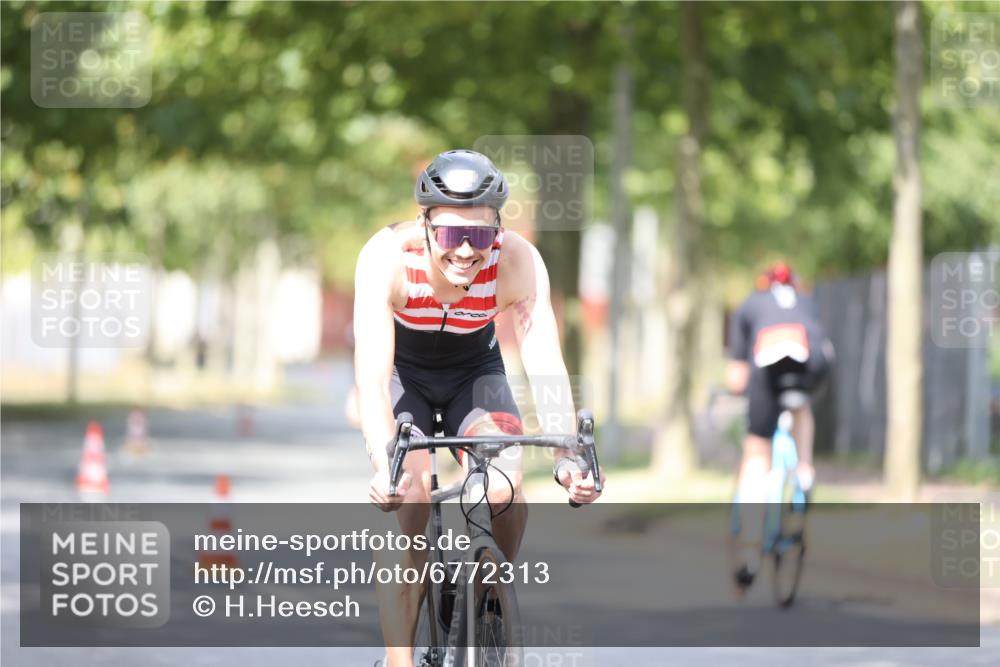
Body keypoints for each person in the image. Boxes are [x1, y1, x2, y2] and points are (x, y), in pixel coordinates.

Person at [353, 149, 604, 667]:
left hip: (475, 374)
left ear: (499, 230)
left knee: (504, 487)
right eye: (449, 234)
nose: (466, 250)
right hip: (407, 377)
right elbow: (374, 377)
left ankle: (492, 595)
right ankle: (399, 658)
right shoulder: (386, 258)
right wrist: (386, 465)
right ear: (424, 224)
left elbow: (545, 363)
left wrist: (566, 459)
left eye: (482, 235)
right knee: (414, 495)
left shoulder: (518, 261)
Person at [725, 262, 832, 584]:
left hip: (768, 361)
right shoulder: (808, 301)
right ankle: (805, 470)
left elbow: (735, 377)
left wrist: (739, 391)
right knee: (801, 407)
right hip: (813, 360)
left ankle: (748, 548)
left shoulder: (749, 305)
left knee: (757, 452)